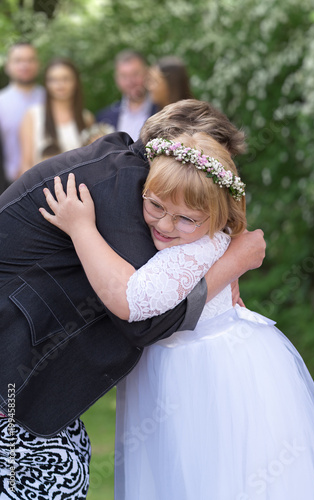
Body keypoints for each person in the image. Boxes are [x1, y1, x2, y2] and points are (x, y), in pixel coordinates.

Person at [40, 134, 314, 499]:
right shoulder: (207, 236)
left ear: (219, 215)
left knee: (202, 470)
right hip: (215, 356)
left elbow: (132, 299)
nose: (165, 226)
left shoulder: (189, 254)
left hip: (202, 370)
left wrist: (81, 228)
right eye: (156, 206)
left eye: (186, 218)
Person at [0, 99, 266, 498]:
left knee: (67, 467)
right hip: (12, 365)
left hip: (24, 362)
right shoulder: (124, 185)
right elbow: (145, 319)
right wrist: (233, 263)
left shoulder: (125, 171)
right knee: (49, 478)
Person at [19, 57, 95, 174]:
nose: (60, 85)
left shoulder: (86, 117)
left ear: (76, 82)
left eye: (66, 79)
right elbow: (26, 165)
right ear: (46, 83)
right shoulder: (33, 115)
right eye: (53, 80)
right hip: (41, 187)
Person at [0, 42, 45, 188]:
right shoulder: (1, 102)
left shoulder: (50, 98)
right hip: (9, 186)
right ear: (7, 66)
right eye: (18, 60)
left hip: (50, 181)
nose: (25, 65)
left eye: (30, 60)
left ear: (38, 64)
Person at [96, 50, 158, 141]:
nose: (130, 81)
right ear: (116, 79)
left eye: (135, 74)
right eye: (124, 76)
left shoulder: (162, 110)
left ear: (147, 73)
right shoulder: (103, 118)